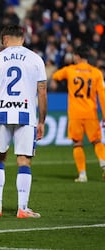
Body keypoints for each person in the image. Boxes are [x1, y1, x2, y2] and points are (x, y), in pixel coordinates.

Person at [0, 24, 47, 218]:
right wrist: (42, 121)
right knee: (24, 161)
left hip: (2, 113)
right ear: (23, 38)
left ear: (4, 39)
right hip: (26, 114)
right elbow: (42, 92)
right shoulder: (35, 59)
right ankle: (22, 208)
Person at [51, 45, 105, 182]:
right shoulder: (96, 73)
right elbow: (102, 96)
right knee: (97, 142)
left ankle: (82, 174)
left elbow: (56, 76)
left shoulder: (70, 70)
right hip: (91, 113)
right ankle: (103, 164)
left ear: (77, 56)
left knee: (77, 144)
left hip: (75, 114)